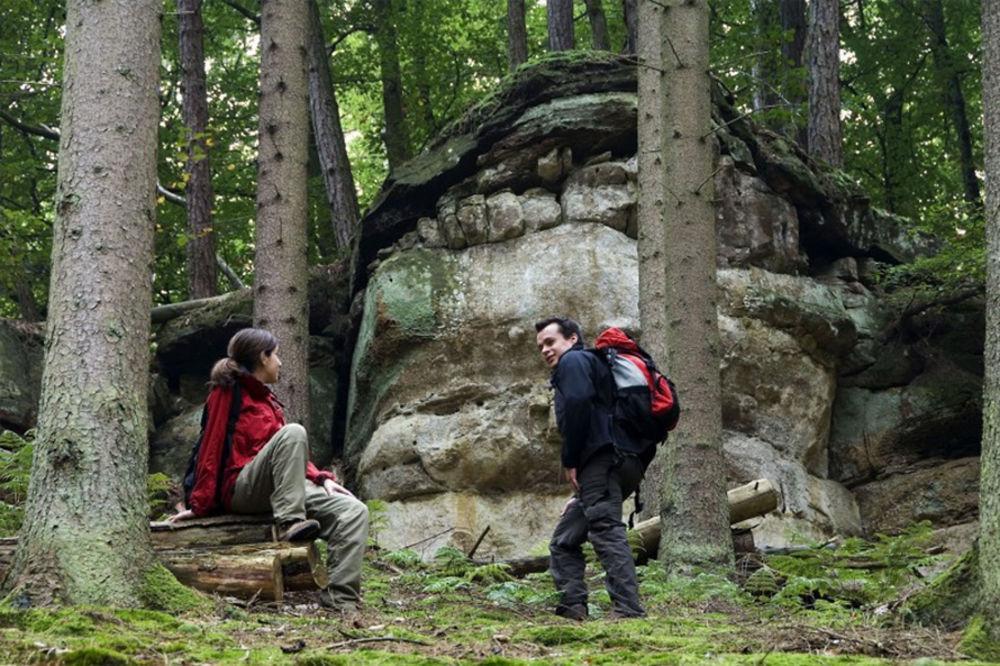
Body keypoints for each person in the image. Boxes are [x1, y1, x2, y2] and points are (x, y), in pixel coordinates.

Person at [169, 327, 369, 613]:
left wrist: (321, 479)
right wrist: (200, 506)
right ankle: (291, 523)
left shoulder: (267, 401)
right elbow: (210, 451)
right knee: (294, 432)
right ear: (262, 358)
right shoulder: (226, 392)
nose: (280, 362)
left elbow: (286, 454)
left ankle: (341, 600)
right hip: (241, 489)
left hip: (277, 491)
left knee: (353, 511)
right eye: (275, 355)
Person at [535, 316, 646, 620]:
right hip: (621, 464)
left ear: (571, 339)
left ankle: (628, 611)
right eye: (541, 346)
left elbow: (579, 403)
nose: (545, 350)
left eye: (550, 342)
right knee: (564, 540)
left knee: (606, 530)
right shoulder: (596, 368)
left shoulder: (574, 361)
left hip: (602, 461)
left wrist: (571, 460)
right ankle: (572, 609)